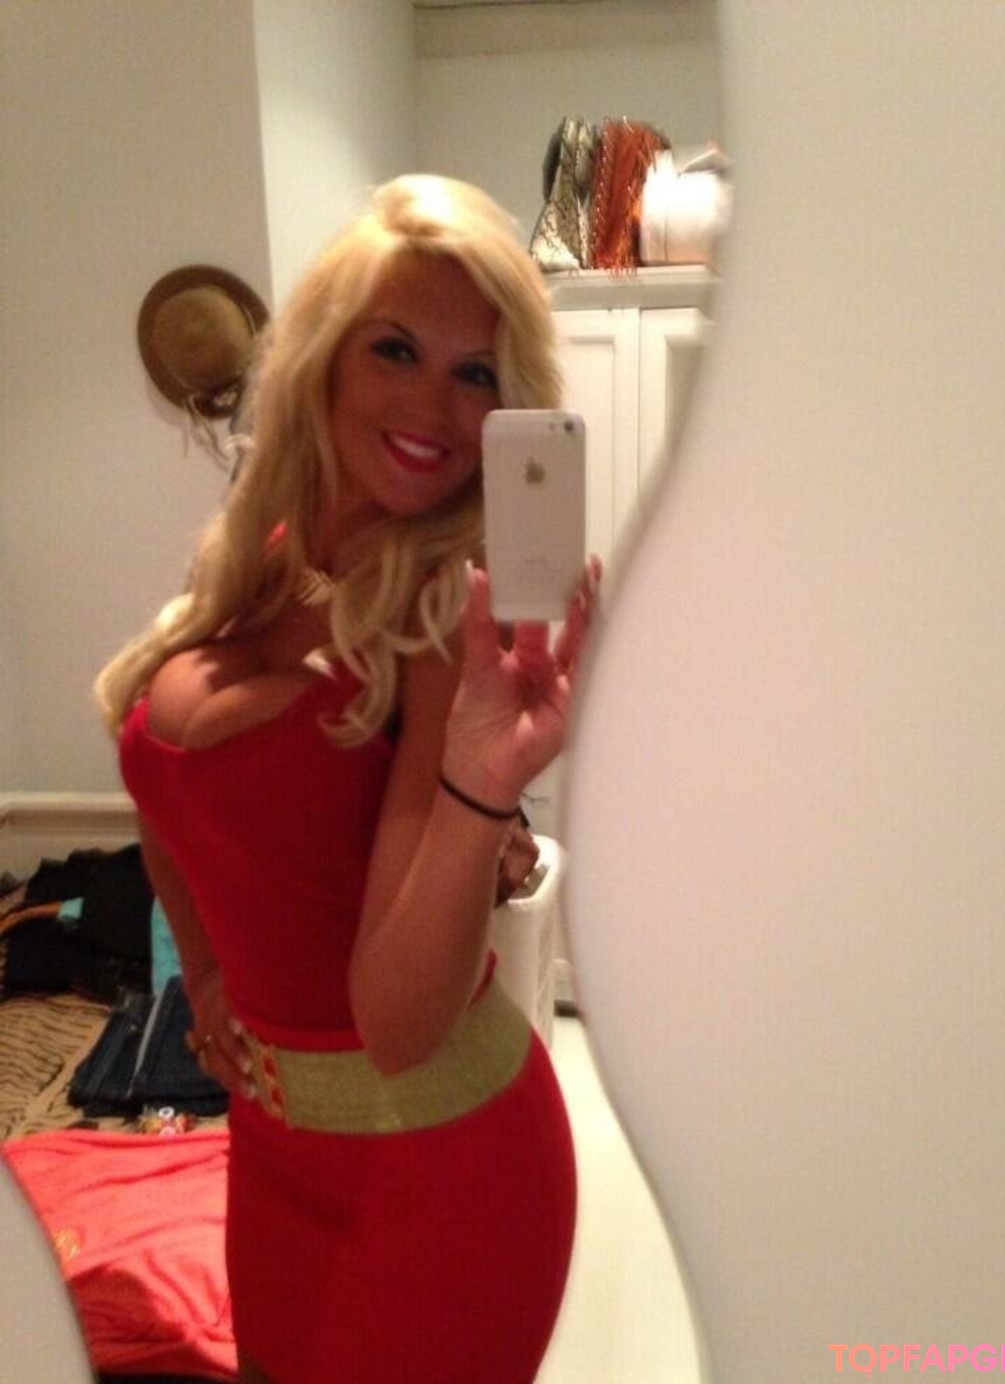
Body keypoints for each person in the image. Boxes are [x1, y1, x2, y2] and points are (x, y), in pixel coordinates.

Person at [95, 174, 600, 1384]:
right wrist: (206, 969)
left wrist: (480, 785)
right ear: (323, 356)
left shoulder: (444, 618)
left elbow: (399, 1026)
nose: (435, 405)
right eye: (397, 349)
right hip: (275, 1151)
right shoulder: (259, 563)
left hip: (442, 1172)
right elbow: (163, 791)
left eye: (477, 373)